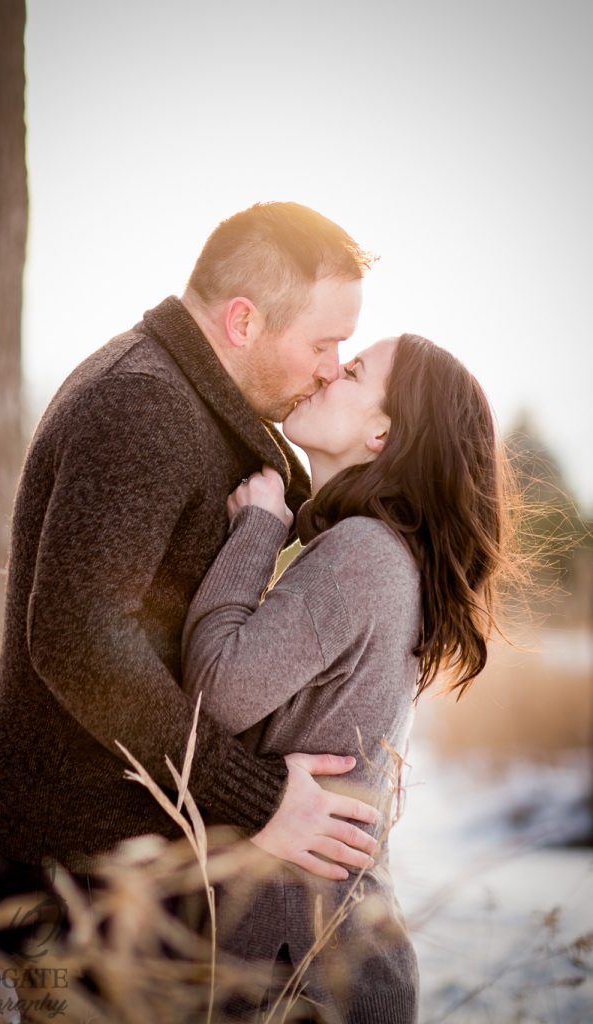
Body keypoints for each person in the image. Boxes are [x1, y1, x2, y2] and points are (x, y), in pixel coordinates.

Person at [0, 202, 383, 955]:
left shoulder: (191, 403)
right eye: (322, 342)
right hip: (71, 867)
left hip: (112, 857)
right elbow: (78, 636)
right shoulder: (141, 402)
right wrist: (259, 798)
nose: (328, 366)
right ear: (242, 322)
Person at [181, 334, 518, 1022]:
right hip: (311, 956)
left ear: (380, 431)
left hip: (306, 972)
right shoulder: (369, 550)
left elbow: (213, 694)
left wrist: (254, 528)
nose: (328, 369)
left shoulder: (361, 553)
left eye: (355, 370)